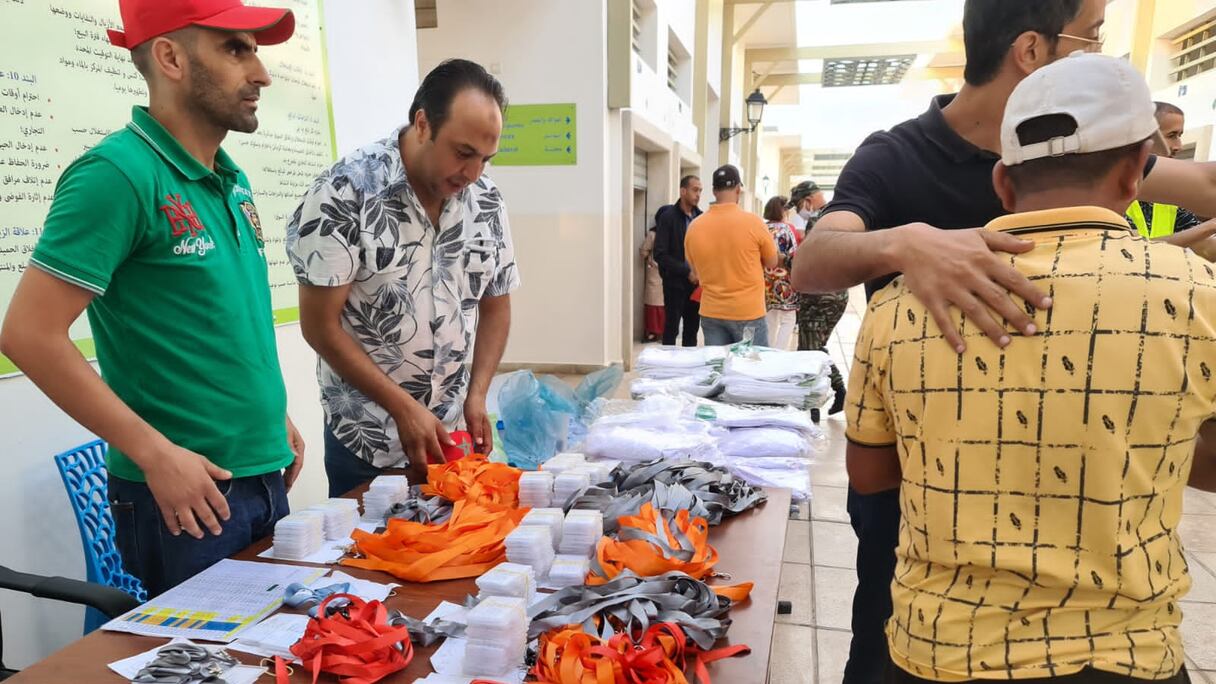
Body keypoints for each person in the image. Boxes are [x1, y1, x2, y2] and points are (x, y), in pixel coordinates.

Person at [788, 1, 1216, 679]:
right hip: (1111, 641)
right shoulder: (896, 157)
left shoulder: (896, 315)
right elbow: (812, 260)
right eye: (1093, 34)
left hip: (943, 626)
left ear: (1003, 184)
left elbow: (869, 467)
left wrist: (1135, 269)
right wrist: (910, 242)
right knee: (879, 620)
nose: (1098, 50)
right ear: (1029, 48)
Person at [0, 0, 305, 596]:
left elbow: (217, 321)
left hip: (262, 476)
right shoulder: (116, 175)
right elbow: (27, 334)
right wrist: (156, 455)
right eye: (235, 49)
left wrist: (271, 419)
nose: (261, 73)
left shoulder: (229, 178)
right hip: (186, 499)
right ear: (169, 56)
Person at [287, 59, 518, 495]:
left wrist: (477, 393)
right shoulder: (345, 192)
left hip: (449, 439)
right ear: (423, 123)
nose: (473, 174)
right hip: (367, 440)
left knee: (450, 554)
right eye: (463, 152)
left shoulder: (486, 201)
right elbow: (320, 326)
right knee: (366, 557)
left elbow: (496, 304)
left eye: (486, 159)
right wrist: (401, 407)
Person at [684, 165, 777, 346]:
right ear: (738, 189)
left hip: (712, 313)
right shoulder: (754, 223)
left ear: (713, 190)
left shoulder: (694, 227)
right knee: (751, 371)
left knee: (720, 369)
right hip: (748, 312)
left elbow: (694, 272)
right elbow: (772, 262)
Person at [789, 181, 850, 417]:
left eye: (798, 205)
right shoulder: (841, 215)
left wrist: (786, 261)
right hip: (837, 294)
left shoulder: (819, 220)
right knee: (815, 347)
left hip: (819, 296)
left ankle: (814, 406)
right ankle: (836, 392)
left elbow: (811, 259)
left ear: (809, 200)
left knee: (809, 352)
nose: (798, 211)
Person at [1126, 102, 1216, 256]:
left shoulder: (1173, 199)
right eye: (1171, 135)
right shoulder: (1115, 188)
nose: (1178, 146)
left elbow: (1202, 247)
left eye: (1180, 136)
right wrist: (1211, 226)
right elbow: (1134, 251)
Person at [653, 175, 704, 346]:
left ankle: (689, 370)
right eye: (695, 190)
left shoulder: (702, 219)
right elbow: (660, 254)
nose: (698, 194)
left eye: (700, 191)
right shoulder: (668, 217)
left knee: (692, 331)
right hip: (674, 285)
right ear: (683, 191)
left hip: (696, 286)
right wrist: (686, 271)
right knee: (671, 330)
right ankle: (668, 369)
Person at [762, 195, 799, 350]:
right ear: (783, 210)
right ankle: (779, 352)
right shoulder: (788, 229)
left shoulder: (763, 228)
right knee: (788, 318)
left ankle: (768, 352)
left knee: (770, 319)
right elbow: (794, 255)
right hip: (785, 282)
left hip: (765, 281)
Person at [639, 226, 665, 342]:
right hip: (666, 271)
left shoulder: (652, 234)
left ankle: (654, 332)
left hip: (656, 271)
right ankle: (660, 332)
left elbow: (643, 251)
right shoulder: (672, 230)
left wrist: (649, 260)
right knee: (657, 303)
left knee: (654, 304)